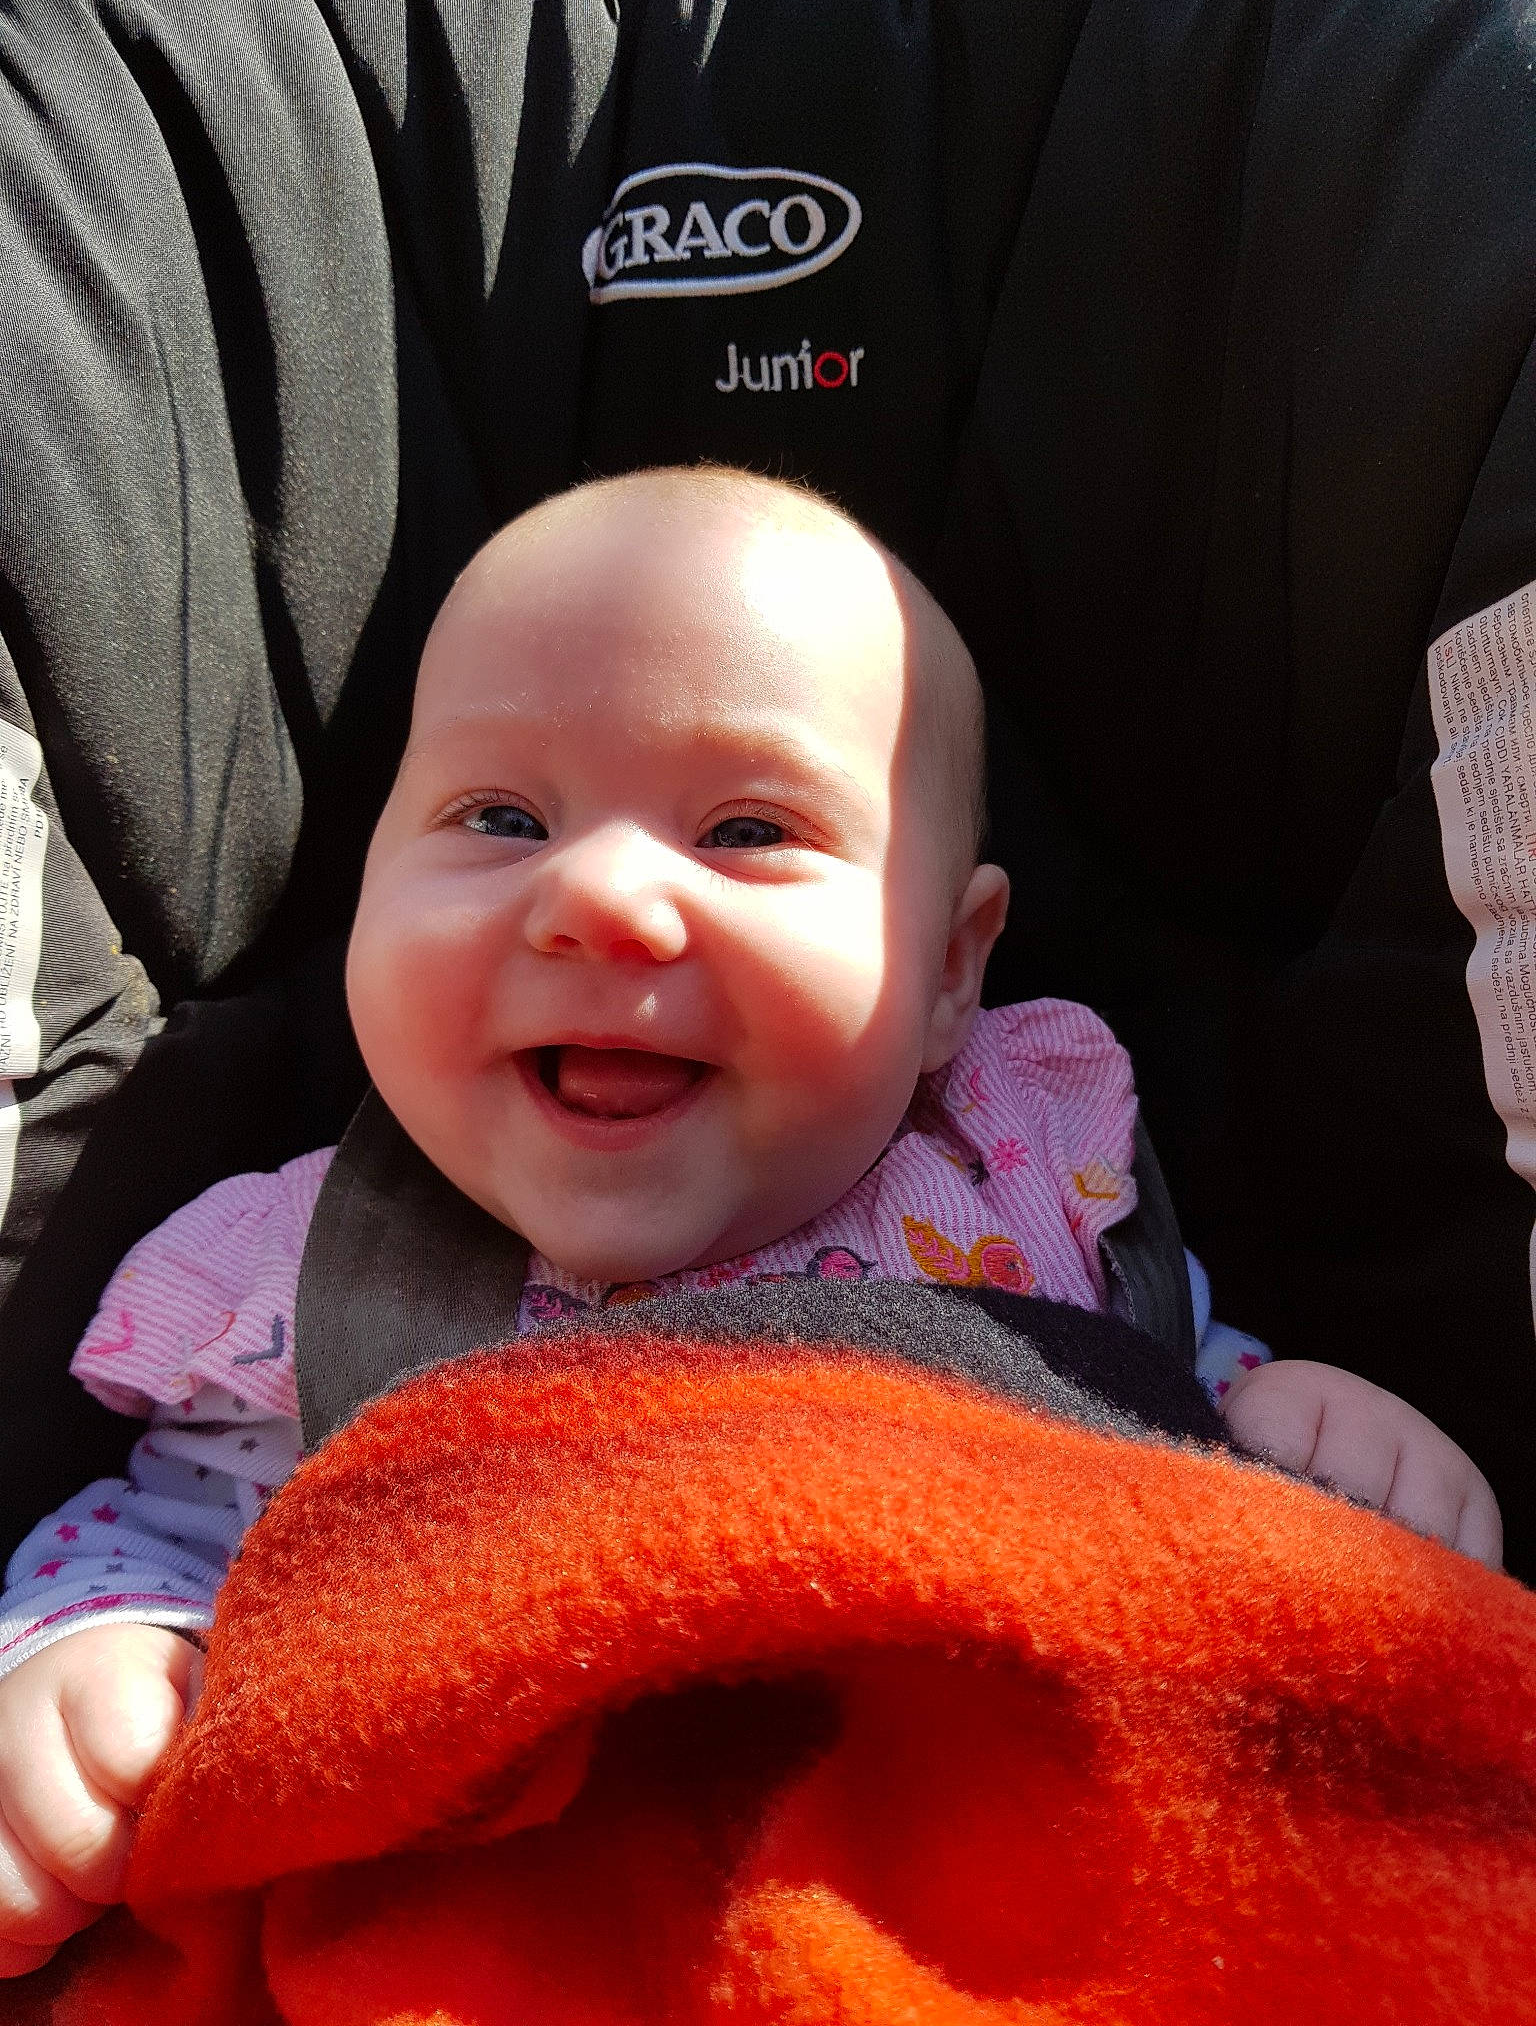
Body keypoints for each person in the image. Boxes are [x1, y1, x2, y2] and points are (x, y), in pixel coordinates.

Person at [0, 469, 1499, 1978]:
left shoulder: (1029, 1180)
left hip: (1028, 1897)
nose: (596, 898)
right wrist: (97, 1657)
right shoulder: (301, 1278)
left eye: (746, 830)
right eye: (501, 816)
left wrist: (1292, 1427)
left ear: (949, 977)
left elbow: (1171, 1416)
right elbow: (179, 1538)